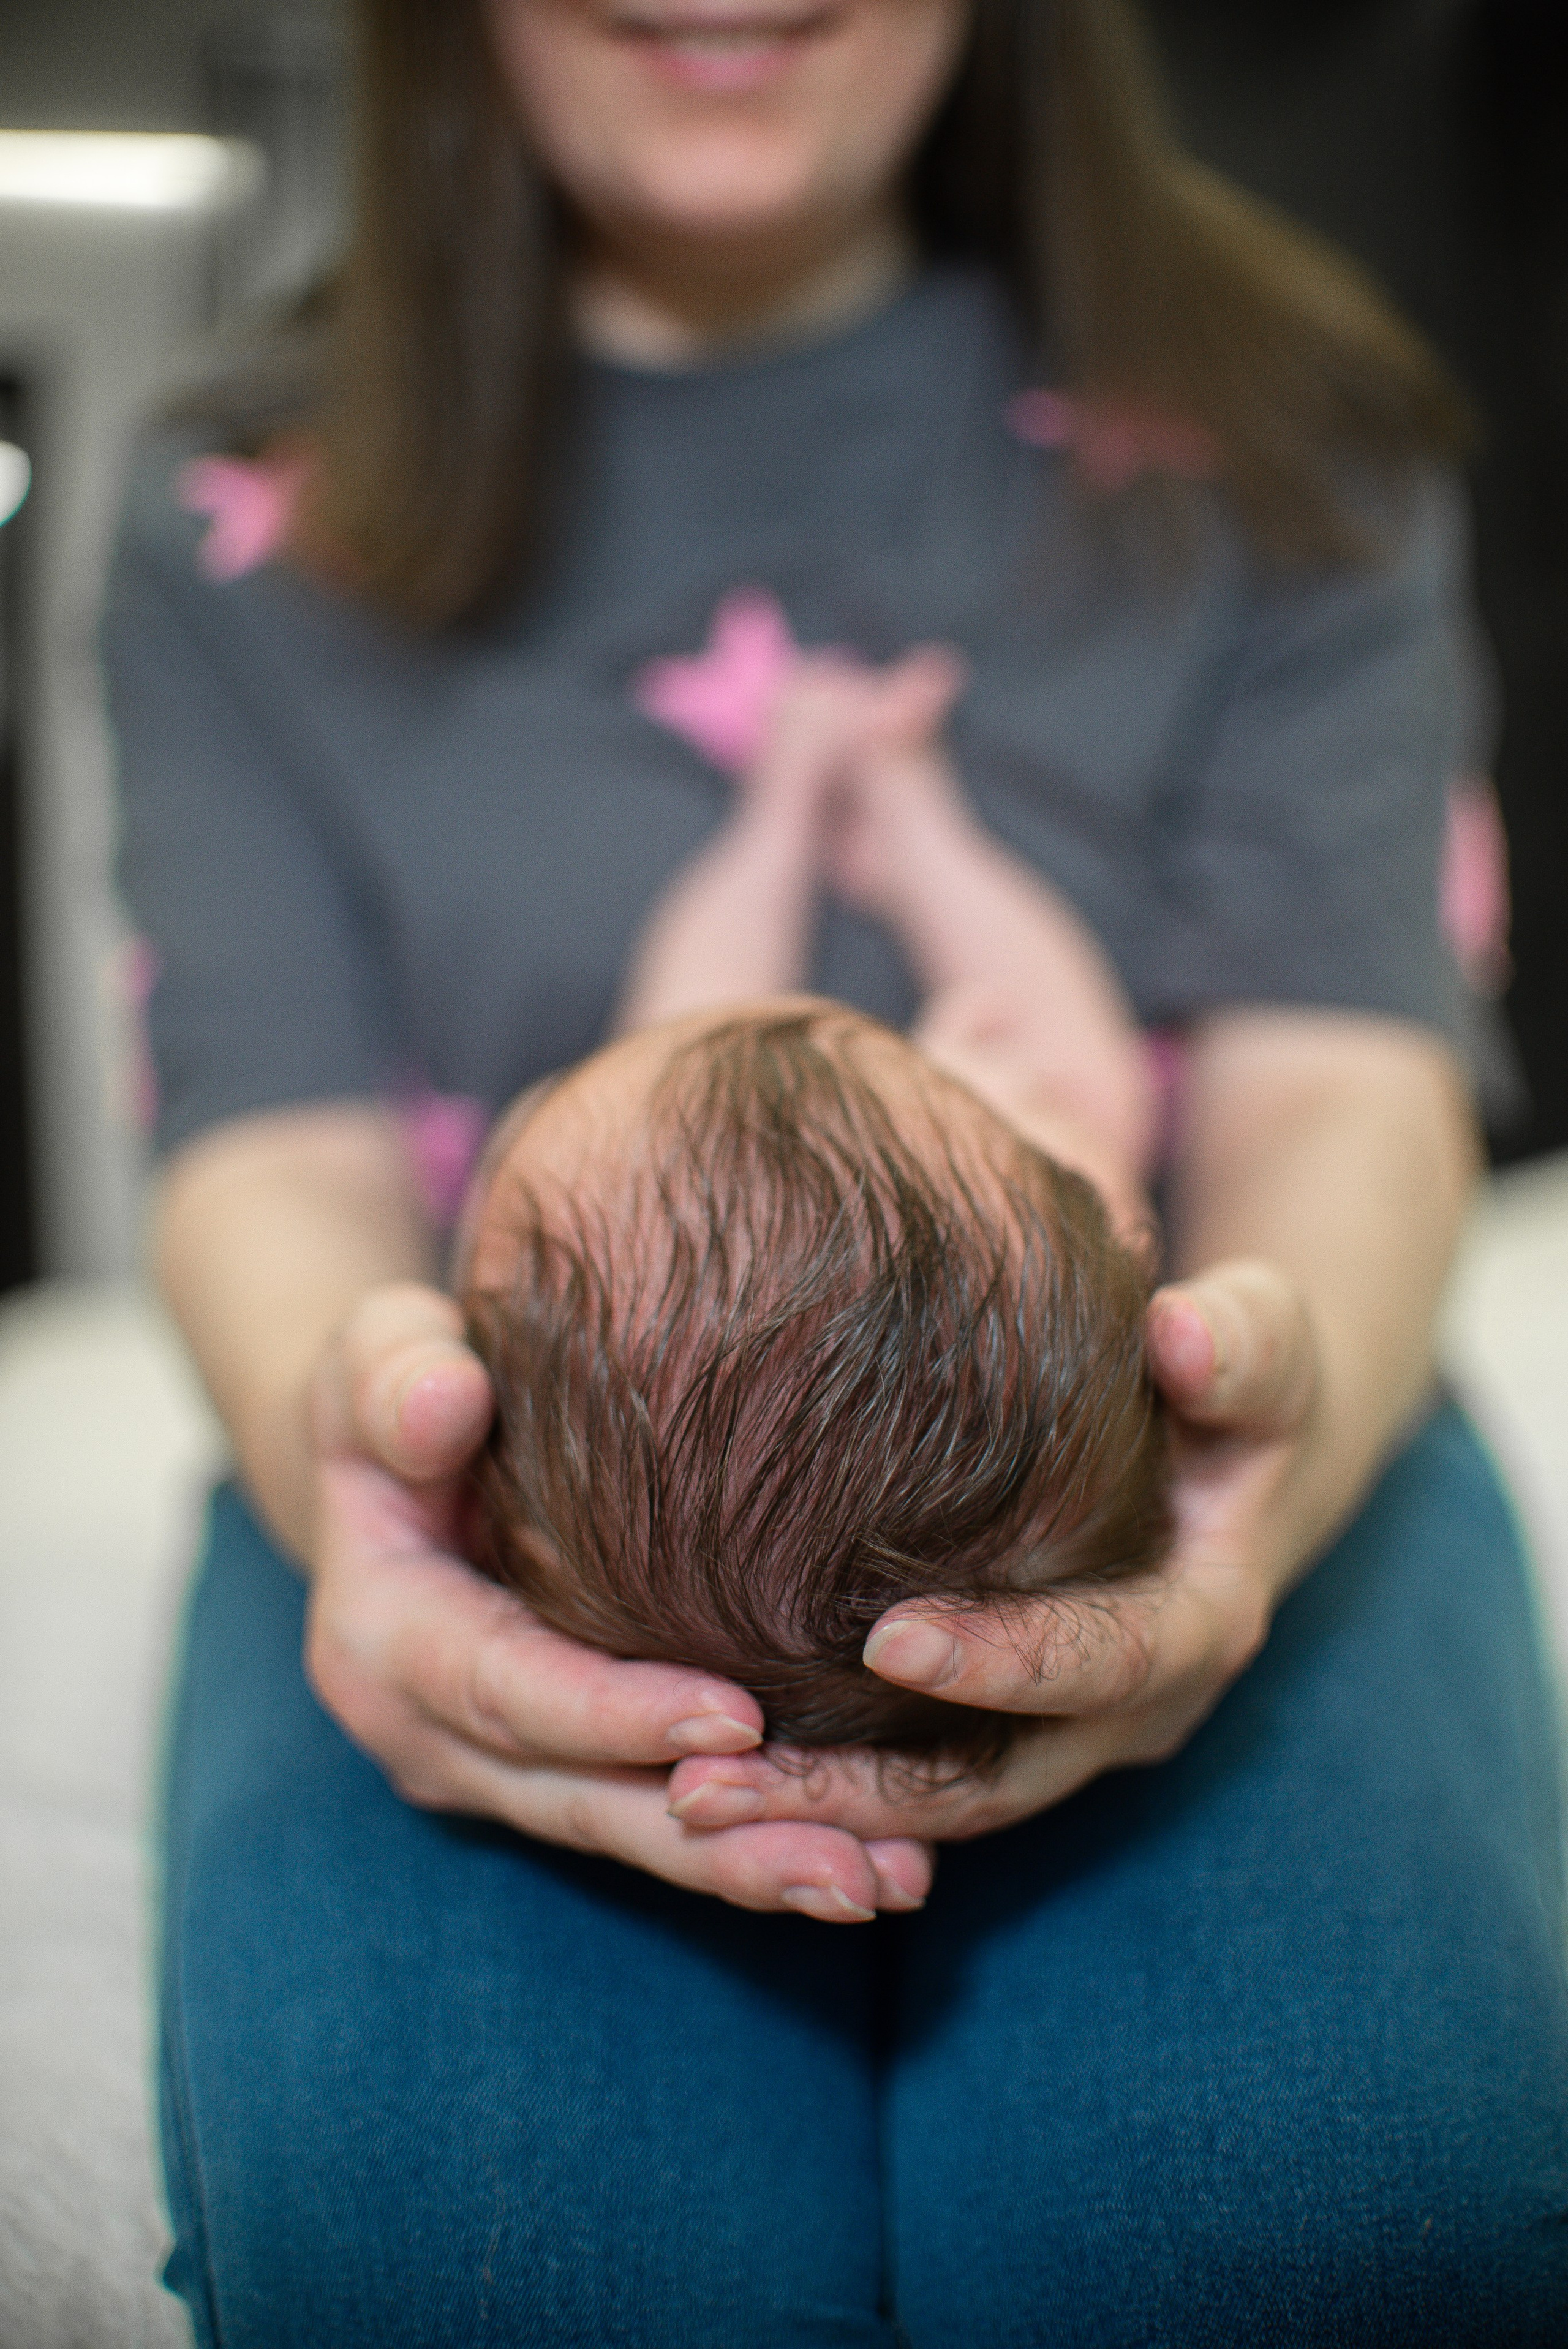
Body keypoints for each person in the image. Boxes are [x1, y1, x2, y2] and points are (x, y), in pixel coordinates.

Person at [105, 0, 1567, 2339]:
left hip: (1166, 1443)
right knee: (483, 2267)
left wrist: (1243, 1512)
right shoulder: (240, 490)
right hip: (541, 1476)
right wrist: (355, 1453)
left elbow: (1340, 1072)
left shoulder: (1285, 419)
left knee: (1291, 2222)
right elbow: (262, 1132)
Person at [464, 645, 1170, 1762]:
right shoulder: (1030, 1140)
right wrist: (993, 1097)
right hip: (994, 1168)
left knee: (683, 1049)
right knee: (1065, 1072)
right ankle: (916, 823)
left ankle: (778, 818)